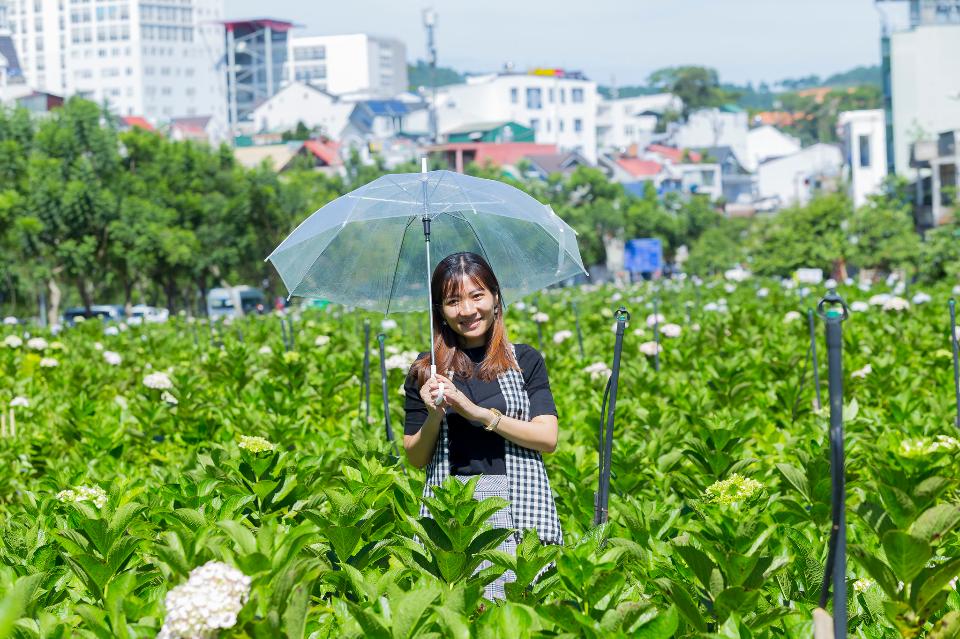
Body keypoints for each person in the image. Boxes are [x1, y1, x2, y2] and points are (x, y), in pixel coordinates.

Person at [403, 251, 563, 602]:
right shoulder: (425, 369)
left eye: (477, 295)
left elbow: (547, 438)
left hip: (521, 503)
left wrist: (477, 413)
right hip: (455, 507)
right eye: (452, 300)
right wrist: (435, 413)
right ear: (440, 310)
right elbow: (415, 457)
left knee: (520, 614)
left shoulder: (525, 360)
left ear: (495, 299)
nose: (467, 310)